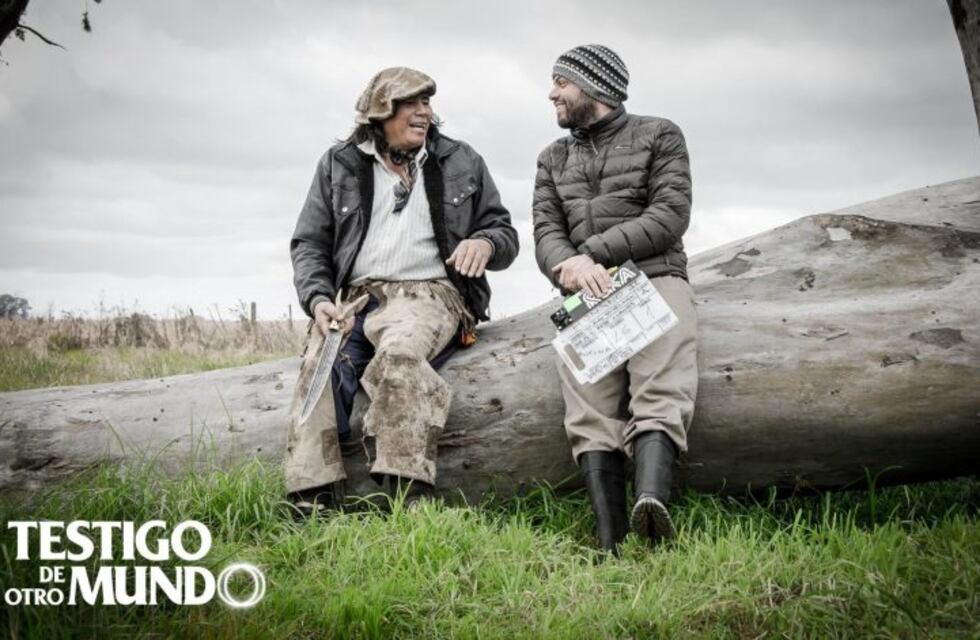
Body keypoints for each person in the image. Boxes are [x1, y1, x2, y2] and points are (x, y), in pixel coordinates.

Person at [286, 66, 519, 513]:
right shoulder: (339, 163)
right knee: (321, 364)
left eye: (427, 103)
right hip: (356, 295)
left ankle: (406, 494)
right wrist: (318, 300)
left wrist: (485, 242)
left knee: (400, 355)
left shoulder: (461, 159)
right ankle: (311, 499)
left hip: (430, 293)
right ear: (379, 111)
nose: (423, 113)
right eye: (410, 103)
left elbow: (503, 232)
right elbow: (309, 243)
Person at [533, 45, 698, 552]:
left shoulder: (660, 134)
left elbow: (670, 214)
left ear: (595, 86)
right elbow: (545, 233)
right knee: (586, 407)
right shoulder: (551, 158)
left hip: (654, 276)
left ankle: (652, 504)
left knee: (661, 384)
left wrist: (593, 254)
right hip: (586, 291)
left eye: (561, 81)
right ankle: (611, 538)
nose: (552, 92)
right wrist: (573, 268)